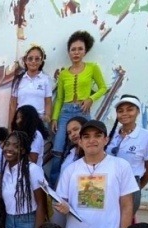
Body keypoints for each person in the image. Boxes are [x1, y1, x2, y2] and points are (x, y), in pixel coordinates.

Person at [55, 120, 138, 228]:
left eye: (97, 136)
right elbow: (61, 202)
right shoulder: (70, 170)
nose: (91, 140)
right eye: (86, 136)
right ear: (80, 141)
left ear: (106, 140)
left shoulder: (120, 166)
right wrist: (62, 208)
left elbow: (127, 206)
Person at [50, 31, 107, 185]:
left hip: (83, 110)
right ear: (69, 52)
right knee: (58, 149)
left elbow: (103, 88)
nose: (76, 52)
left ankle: (89, 183)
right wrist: (55, 117)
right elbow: (60, 98)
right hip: (66, 112)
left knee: (89, 143)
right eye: (73, 49)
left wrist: (90, 98)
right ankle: (54, 187)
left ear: (85, 50)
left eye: (79, 49)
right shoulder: (63, 74)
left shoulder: (92, 67)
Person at [1, 131, 47, 228]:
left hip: (27, 221)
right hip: (10, 221)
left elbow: (41, 203)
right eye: (7, 144)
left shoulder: (33, 170)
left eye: (15, 146)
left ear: (23, 150)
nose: (9, 149)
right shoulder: (6, 169)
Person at [106, 95, 148, 214]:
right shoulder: (111, 135)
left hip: (130, 185)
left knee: (124, 225)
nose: (124, 113)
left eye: (130, 109)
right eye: (120, 111)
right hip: (108, 184)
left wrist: (136, 187)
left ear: (138, 111)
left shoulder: (147, 137)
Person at [9, 45, 53, 128]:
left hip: (39, 121)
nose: (33, 61)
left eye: (37, 59)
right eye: (30, 58)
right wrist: (10, 126)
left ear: (41, 61)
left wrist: (47, 116)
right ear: (25, 60)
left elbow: (48, 101)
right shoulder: (18, 80)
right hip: (21, 121)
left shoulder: (45, 79)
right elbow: (12, 105)